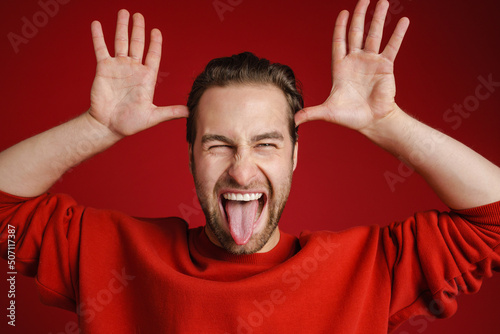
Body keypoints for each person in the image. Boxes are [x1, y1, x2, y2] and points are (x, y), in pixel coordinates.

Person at [1, 0, 499, 332]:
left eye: (266, 144)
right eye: (218, 145)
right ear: (191, 153)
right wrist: (98, 128)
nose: (242, 171)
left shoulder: (369, 267)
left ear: (295, 155)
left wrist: (387, 123)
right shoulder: (114, 254)